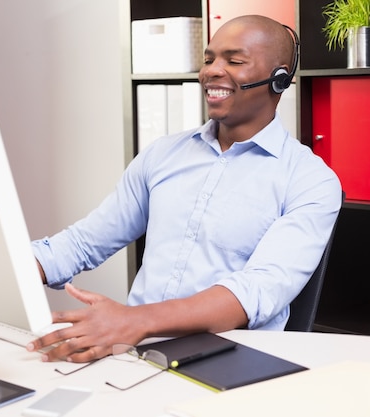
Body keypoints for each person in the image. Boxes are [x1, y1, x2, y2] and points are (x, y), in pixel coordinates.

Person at [28, 14, 342, 363]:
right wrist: (12, 265)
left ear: (279, 78)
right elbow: (85, 241)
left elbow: (255, 291)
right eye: (209, 59)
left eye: (234, 61)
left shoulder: (311, 180)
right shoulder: (163, 154)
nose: (211, 71)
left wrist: (134, 320)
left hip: (231, 362)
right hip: (135, 353)